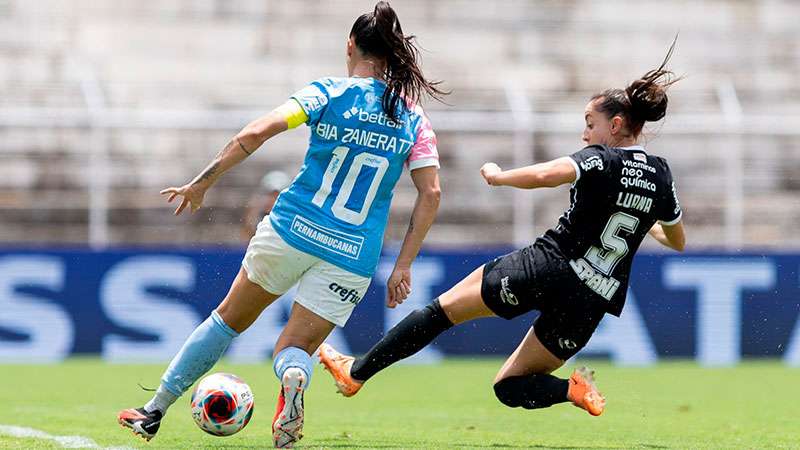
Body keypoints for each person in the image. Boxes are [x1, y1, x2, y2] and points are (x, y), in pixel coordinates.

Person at [117, 2, 447, 447]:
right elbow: (431, 193)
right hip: (353, 253)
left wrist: (201, 184)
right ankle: (294, 375)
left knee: (227, 321)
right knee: (293, 350)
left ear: (350, 45)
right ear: (391, 54)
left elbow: (256, 133)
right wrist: (404, 265)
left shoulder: (327, 93)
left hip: (292, 229)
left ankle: (154, 409)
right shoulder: (413, 116)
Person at [320, 43, 686, 420]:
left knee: (440, 312)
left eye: (590, 124)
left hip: (549, 266)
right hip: (593, 298)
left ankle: (356, 373)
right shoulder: (662, 174)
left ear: (615, 125)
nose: (584, 135)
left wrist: (499, 177)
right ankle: (571, 390)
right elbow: (679, 240)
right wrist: (653, 229)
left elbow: (547, 175)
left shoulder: (600, 158)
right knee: (509, 386)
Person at [240, 171, 291, 241]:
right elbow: (246, 240)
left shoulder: (289, 218)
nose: (272, 200)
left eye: (276, 196)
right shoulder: (258, 215)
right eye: (271, 195)